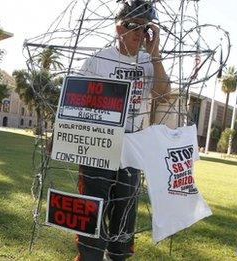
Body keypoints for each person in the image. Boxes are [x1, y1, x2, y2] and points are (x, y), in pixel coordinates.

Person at [75, 1, 170, 260]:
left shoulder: (148, 63)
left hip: (132, 148)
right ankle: (88, 256)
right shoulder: (98, 60)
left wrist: (155, 54)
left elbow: (164, 94)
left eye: (146, 29)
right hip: (98, 144)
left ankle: (117, 255)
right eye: (134, 27)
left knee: (125, 210)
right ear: (119, 28)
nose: (140, 34)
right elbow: (73, 99)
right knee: (92, 206)